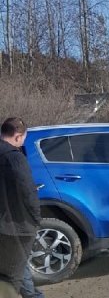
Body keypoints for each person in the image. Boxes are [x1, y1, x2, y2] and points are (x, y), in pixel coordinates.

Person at [0, 117, 45, 298]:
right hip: (17, 226)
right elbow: (28, 192)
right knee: (12, 278)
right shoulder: (15, 158)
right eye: (24, 138)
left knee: (19, 267)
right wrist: (36, 218)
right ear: (18, 137)